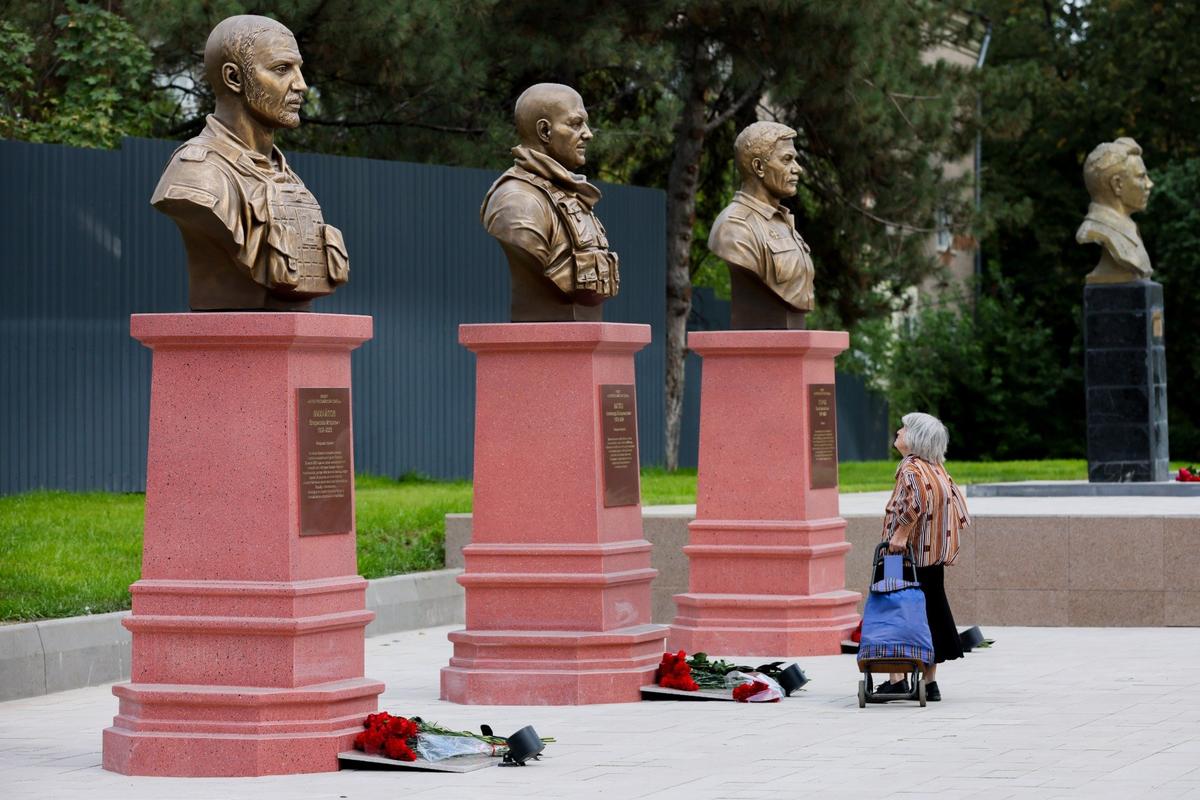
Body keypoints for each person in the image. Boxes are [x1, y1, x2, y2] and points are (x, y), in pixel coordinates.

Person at [151, 15, 348, 311]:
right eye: (282, 69)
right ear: (234, 78)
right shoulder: (196, 173)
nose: (301, 85)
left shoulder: (288, 178)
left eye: (299, 69)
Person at [481, 83, 620, 322]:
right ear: (545, 131)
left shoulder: (571, 194)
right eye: (575, 124)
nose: (588, 134)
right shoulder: (517, 201)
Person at [876, 412, 971, 702]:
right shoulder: (936, 467)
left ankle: (897, 680)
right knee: (931, 611)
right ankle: (930, 683)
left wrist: (900, 534)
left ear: (916, 438)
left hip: (901, 556)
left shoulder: (911, 466)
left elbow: (916, 502)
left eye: (904, 428)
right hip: (931, 556)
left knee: (894, 608)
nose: (898, 432)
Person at [708, 121, 814, 329]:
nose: (797, 169)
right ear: (759, 167)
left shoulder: (784, 222)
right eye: (787, 159)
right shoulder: (734, 227)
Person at [1075, 137, 1154, 284]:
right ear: (1117, 184)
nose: (1150, 184)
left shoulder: (1130, 228)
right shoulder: (1098, 230)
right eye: (1141, 177)